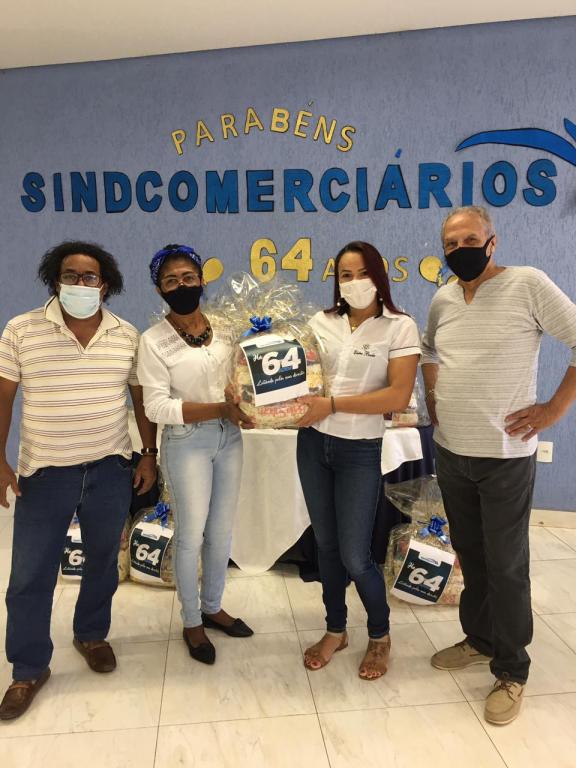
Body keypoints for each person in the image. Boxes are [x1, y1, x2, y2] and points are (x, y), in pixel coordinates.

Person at [422, 205, 576, 725]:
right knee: (471, 556)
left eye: (470, 240)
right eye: (450, 244)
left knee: (507, 565)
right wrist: (433, 397)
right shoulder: (443, 299)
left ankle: (512, 670)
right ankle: (480, 639)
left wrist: (553, 410)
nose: (460, 250)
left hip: (506, 457)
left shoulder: (527, 284)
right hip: (452, 451)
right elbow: (429, 352)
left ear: (492, 242)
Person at [0, 241, 157, 721]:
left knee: (103, 563)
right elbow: (3, 397)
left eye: (90, 277)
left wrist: (148, 455)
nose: (81, 284)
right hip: (45, 473)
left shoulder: (126, 335)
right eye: (71, 276)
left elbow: (139, 401)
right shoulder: (21, 330)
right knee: (30, 575)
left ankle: (91, 634)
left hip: (111, 469)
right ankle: (28, 668)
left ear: (105, 285)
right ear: (56, 280)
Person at [296, 241, 420, 680]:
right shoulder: (320, 322)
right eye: (345, 276)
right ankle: (336, 630)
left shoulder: (399, 327)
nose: (354, 283)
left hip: (359, 450)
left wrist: (332, 405)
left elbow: (397, 396)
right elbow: (299, 378)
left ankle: (380, 635)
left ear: (379, 276)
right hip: (313, 445)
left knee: (354, 554)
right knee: (326, 546)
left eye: (363, 273)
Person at [137, 244, 254, 666]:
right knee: (191, 534)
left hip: (230, 438)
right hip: (186, 442)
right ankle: (191, 620)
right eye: (170, 281)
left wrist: (250, 397)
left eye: (188, 277)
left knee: (221, 531)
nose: (181, 285)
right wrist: (218, 409)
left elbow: (239, 377)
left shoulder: (224, 327)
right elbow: (156, 407)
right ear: (159, 290)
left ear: (202, 280)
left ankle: (213, 606)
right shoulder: (153, 341)